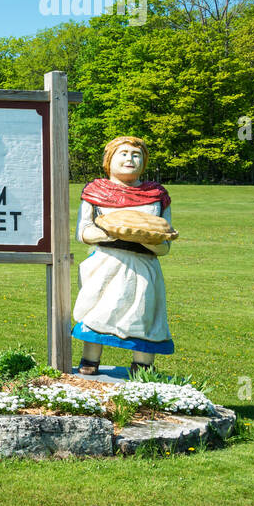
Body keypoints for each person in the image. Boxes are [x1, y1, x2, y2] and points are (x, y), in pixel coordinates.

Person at [72, 136, 174, 375]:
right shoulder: (95, 191)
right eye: (124, 153)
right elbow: (83, 231)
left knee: (143, 314)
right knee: (98, 311)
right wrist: (114, 231)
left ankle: (142, 367)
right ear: (109, 160)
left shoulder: (157, 195)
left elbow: (165, 243)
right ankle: (89, 362)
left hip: (143, 265)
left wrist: (146, 238)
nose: (130, 159)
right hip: (107, 262)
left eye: (136, 154)